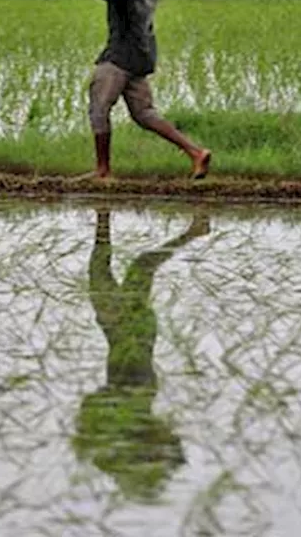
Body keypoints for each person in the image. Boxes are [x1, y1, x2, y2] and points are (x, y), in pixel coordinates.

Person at [72, 209, 210, 500]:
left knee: (100, 269)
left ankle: (104, 217)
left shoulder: (117, 449)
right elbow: (170, 448)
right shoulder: (135, 424)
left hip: (118, 334)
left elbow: (95, 434)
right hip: (133, 337)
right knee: (139, 266)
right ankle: (192, 231)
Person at [79, 0, 212, 180]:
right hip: (142, 55)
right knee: (144, 114)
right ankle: (196, 152)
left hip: (118, 57)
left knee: (99, 109)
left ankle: (102, 170)